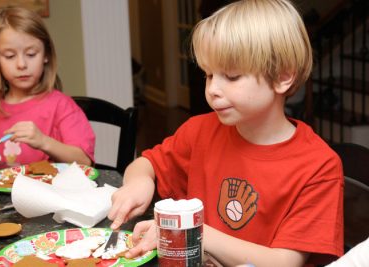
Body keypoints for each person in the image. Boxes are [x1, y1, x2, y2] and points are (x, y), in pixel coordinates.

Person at [108, 0, 344, 266]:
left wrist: (193, 231)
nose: (213, 90)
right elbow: (145, 164)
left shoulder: (319, 166)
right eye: (209, 75)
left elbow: (284, 262)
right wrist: (140, 183)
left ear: (282, 77)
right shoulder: (200, 131)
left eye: (231, 76)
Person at [0, 6, 95, 168]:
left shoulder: (61, 105)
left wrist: (43, 142)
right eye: (10, 56)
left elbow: (85, 161)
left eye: (31, 54)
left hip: (50, 191)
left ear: (46, 55)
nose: (22, 64)